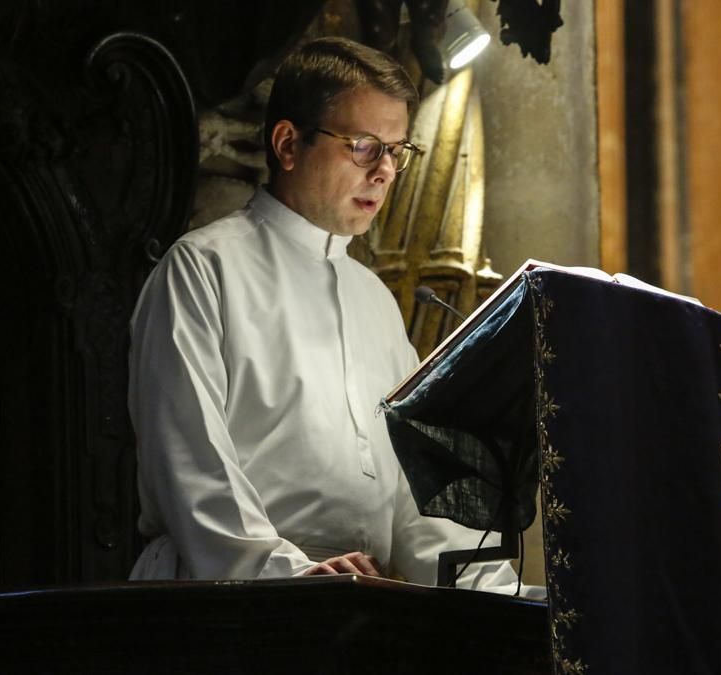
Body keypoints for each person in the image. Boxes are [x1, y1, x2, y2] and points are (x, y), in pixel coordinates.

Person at [127, 36, 523, 592]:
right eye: (364, 146)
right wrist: (289, 573)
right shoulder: (201, 269)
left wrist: (507, 597)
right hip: (224, 594)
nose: (385, 171)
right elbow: (190, 466)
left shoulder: (375, 301)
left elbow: (418, 496)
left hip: (352, 600)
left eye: (398, 150)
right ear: (288, 144)